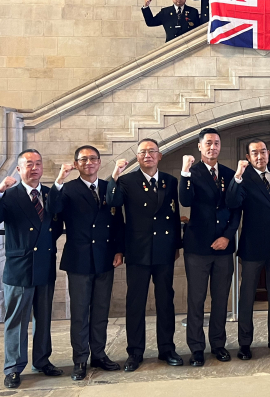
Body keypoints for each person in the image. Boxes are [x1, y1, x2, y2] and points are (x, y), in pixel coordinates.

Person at [0, 149, 62, 389]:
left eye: (38, 164)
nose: (34, 168)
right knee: (16, 321)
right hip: (20, 267)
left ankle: (42, 360)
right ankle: (13, 368)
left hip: (45, 266)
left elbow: (55, 226)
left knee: (44, 318)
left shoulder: (49, 194)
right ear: (19, 169)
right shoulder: (10, 194)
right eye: (29, 164)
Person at [47, 145, 125, 380]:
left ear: (100, 162)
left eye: (93, 159)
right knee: (80, 312)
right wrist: (59, 180)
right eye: (83, 160)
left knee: (101, 310)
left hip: (105, 257)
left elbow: (118, 220)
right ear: (77, 164)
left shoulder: (108, 186)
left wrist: (120, 250)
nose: (89, 163)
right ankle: (80, 359)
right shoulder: (67, 189)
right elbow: (53, 208)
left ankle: (99, 355)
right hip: (79, 259)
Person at [106, 138, 183, 371]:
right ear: (137, 157)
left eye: (152, 151)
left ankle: (167, 348)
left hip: (164, 250)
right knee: (136, 303)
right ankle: (135, 352)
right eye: (142, 152)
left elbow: (174, 212)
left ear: (159, 156)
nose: (147, 155)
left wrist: (177, 245)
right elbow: (112, 201)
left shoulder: (170, 181)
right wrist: (114, 175)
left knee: (165, 301)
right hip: (138, 251)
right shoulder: (127, 181)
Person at [226, 139, 270, 360]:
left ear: (268, 153)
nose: (259, 156)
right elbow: (232, 202)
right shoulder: (242, 178)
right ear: (248, 157)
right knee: (247, 297)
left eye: (263, 152)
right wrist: (237, 177)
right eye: (254, 153)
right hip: (253, 247)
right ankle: (245, 343)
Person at [178, 128, 241, 367]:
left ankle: (218, 344)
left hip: (223, 247)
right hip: (198, 248)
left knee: (220, 298)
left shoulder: (228, 173)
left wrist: (227, 236)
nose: (212, 147)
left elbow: (236, 210)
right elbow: (185, 200)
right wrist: (184, 172)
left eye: (216, 143)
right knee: (196, 299)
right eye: (208, 143)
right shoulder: (190, 173)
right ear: (200, 146)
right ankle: (196, 348)